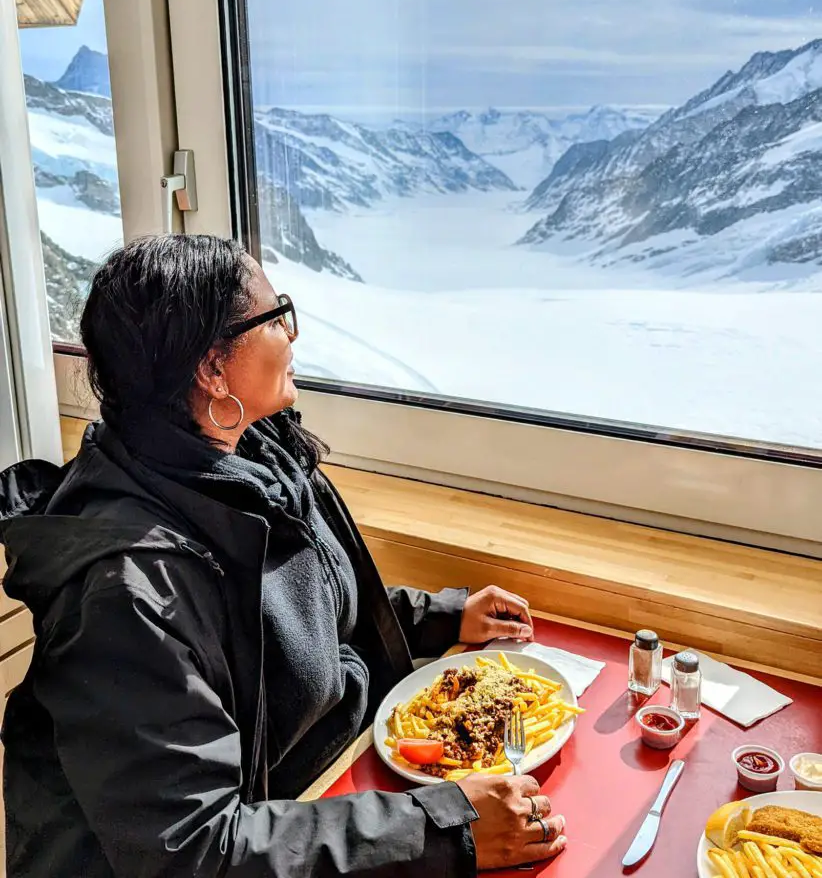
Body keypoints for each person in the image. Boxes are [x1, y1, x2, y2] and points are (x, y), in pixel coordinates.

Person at [0, 235, 566, 877]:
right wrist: (441, 831)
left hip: (322, 797)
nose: (292, 336)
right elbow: (193, 850)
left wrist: (436, 618)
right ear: (214, 369)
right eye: (276, 317)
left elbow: (294, 625)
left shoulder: (251, 458)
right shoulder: (127, 592)